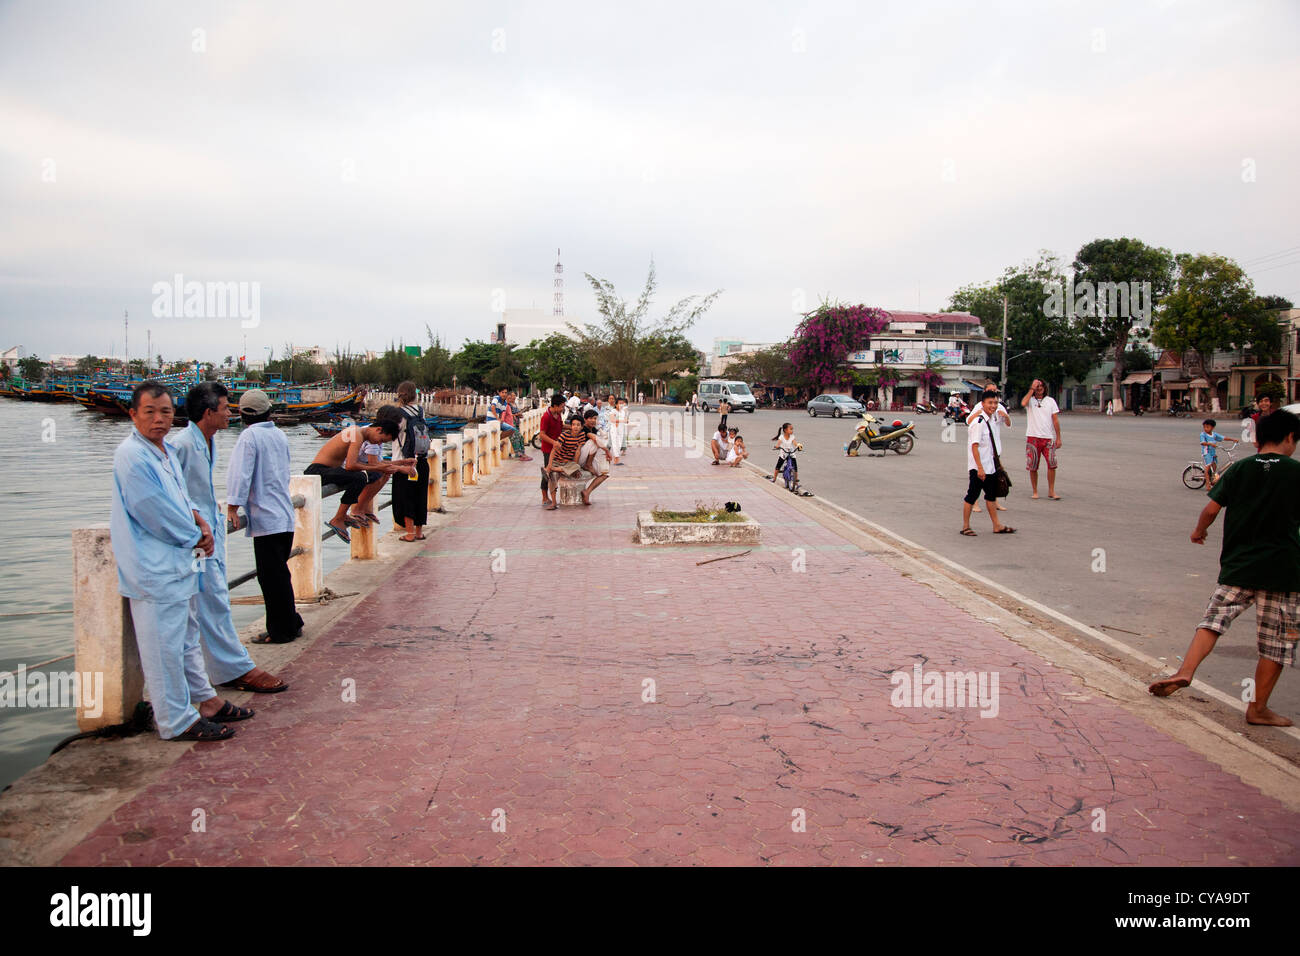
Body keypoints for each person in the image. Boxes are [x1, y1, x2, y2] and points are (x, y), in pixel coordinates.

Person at [1149, 410, 1300, 726]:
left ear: (1257, 439)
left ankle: (1185, 671)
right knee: (1276, 641)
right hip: (1283, 571)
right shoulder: (1295, 472)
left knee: (1213, 621)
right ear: (1289, 438)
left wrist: (1198, 531)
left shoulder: (1241, 468)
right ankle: (1257, 709)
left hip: (1238, 566)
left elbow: (1210, 509)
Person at [112, 382, 243, 742]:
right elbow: (151, 510)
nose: (159, 419)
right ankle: (174, 720)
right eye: (150, 412)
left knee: (185, 639)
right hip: (153, 569)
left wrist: (201, 521)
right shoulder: (133, 456)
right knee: (163, 649)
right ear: (133, 414)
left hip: (180, 565)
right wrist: (195, 535)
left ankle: (205, 700)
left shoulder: (164, 452)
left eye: (166, 412)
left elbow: (184, 499)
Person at [170, 382, 287, 691]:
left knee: (211, 599)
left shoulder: (209, 443)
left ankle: (221, 670)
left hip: (209, 537)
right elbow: (172, 493)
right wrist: (198, 521)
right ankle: (233, 668)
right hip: (194, 543)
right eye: (224, 408)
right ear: (209, 412)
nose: (229, 413)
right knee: (208, 600)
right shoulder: (181, 445)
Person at [226, 389, 305, 645]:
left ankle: (280, 630)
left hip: (266, 518)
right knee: (280, 575)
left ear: (243, 413)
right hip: (282, 514)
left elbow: (241, 474)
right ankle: (291, 623)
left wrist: (232, 507)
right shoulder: (278, 435)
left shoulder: (249, 437)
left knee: (271, 579)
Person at [306, 410, 414, 543]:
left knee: (363, 476)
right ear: (378, 430)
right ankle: (338, 518)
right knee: (360, 477)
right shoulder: (357, 434)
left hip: (330, 469)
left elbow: (357, 465)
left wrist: (397, 464)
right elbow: (351, 465)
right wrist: (379, 467)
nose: (379, 444)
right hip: (319, 470)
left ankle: (345, 515)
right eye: (381, 440)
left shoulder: (359, 433)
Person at [960, 391, 1015, 536]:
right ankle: (965, 527)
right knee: (972, 496)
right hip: (979, 468)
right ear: (982, 404)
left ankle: (997, 525)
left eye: (995, 403)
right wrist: (979, 468)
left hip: (990, 467)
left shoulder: (992, 420)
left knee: (991, 496)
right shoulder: (978, 422)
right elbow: (974, 446)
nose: (993, 406)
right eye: (990, 403)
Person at [391, 381, 431, 542]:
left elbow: (393, 434)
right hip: (422, 459)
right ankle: (419, 532)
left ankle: (409, 533)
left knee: (405, 496)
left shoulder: (398, 414)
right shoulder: (421, 411)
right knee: (420, 496)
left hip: (404, 462)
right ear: (415, 394)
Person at [968, 386, 1011, 513]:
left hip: (994, 450)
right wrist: (978, 413)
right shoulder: (979, 408)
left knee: (994, 481)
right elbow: (969, 421)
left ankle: (994, 503)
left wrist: (1006, 417)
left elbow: (1008, 423)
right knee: (976, 483)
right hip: (981, 451)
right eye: (989, 390)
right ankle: (974, 504)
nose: (993, 405)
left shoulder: (999, 407)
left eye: (995, 391)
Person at [1021, 378, 1062, 500]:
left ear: (1045, 388)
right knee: (1033, 466)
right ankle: (1035, 491)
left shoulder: (1050, 401)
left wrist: (1058, 437)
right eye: (1037, 387)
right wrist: (1031, 389)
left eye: (1041, 387)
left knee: (1052, 464)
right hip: (1033, 437)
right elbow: (1023, 403)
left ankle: (1051, 490)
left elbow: (1055, 420)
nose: (1039, 389)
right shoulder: (1030, 401)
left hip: (1047, 438)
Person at [544, 414, 594, 508]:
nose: (576, 427)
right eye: (574, 424)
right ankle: (554, 503)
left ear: (582, 427)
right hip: (557, 461)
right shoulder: (564, 435)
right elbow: (554, 450)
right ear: (571, 426)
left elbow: (578, 451)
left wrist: (575, 466)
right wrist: (550, 464)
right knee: (553, 476)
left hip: (568, 463)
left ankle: (554, 469)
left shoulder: (582, 435)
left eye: (578, 425)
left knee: (577, 468)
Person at [538, 393, 566, 508]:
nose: (563, 409)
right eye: (562, 406)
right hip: (548, 449)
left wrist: (573, 427)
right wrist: (553, 442)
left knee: (554, 471)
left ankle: (552, 496)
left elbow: (561, 426)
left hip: (557, 448)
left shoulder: (558, 415)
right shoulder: (546, 417)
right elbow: (542, 435)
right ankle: (544, 496)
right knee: (547, 473)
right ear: (555, 406)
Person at [1199, 418, 1237, 490]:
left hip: (1213, 453)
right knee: (1207, 468)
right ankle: (1207, 484)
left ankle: (1212, 480)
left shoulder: (1214, 435)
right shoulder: (1203, 434)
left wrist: (1233, 440)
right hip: (1206, 453)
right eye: (1204, 427)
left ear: (1212, 427)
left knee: (1214, 466)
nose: (1205, 429)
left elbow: (1223, 438)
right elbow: (1202, 443)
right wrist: (1209, 443)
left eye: (1207, 427)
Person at [504, 391, 532, 462]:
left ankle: (522, 453)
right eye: (512, 396)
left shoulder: (514, 404)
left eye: (514, 395)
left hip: (516, 423)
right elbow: (507, 416)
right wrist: (516, 415)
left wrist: (519, 415)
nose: (514, 397)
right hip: (510, 424)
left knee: (520, 438)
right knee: (516, 438)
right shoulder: (507, 405)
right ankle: (519, 454)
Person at [608, 395, 628, 467]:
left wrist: (625, 421)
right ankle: (616, 459)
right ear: (616, 404)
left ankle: (617, 459)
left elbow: (625, 419)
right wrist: (622, 421)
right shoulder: (613, 411)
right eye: (620, 403)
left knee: (619, 444)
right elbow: (612, 420)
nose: (621, 405)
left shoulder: (623, 411)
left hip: (621, 430)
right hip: (614, 430)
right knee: (615, 443)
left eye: (622, 403)